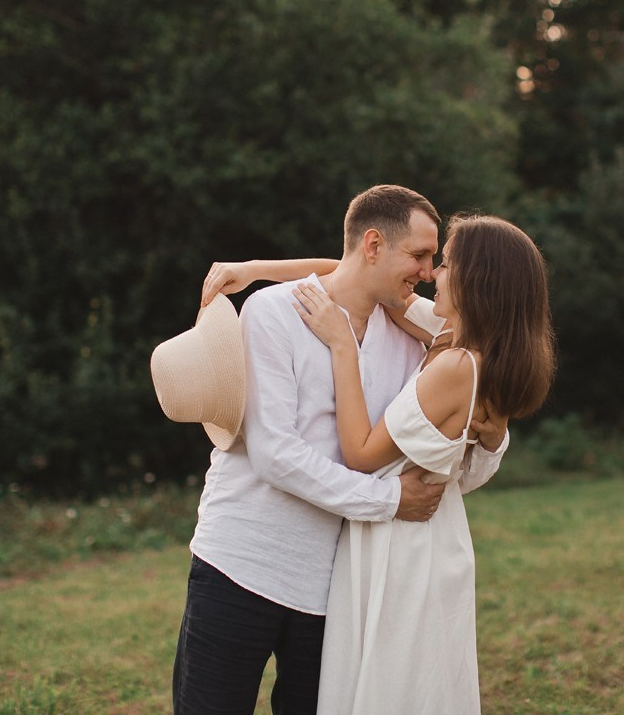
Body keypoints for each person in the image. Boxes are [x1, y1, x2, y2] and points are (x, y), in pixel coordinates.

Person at [171, 186, 512, 714]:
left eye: (434, 260)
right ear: (374, 244)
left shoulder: (412, 339)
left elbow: (436, 462)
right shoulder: (273, 312)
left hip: (335, 587)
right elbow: (275, 454)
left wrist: (490, 439)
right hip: (241, 563)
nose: (428, 271)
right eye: (420, 256)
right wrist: (389, 501)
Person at [287, 213, 555, 714]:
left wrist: (342, 343)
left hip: (403, 546)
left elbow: (361, 454)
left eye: (447, 264)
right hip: (427, 537)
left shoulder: (456, 365)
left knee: (397, 686)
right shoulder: (458, 340)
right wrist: (254, 270)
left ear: (479, 282)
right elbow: (357, 276)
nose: (432, 274)